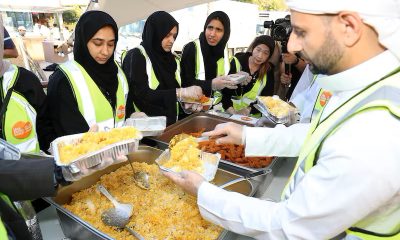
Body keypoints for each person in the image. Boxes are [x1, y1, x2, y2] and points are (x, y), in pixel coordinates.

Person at [163, 0, 400, 239]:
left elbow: (290, 226)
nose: (294, 46)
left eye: (301, 32)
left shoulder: (378, 130)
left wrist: (203, 192)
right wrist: (245, 134)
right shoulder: (366, 86)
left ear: (349, 27)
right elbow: (318, 133)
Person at [46, 10, 129, 149]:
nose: (105, 52)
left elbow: (122, 111)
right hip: (84, 166)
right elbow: (64, 136)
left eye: (110, 44)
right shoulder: (64, 80)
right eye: (98, 43)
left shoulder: (118, 73)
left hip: (119, 159)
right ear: (83, 41)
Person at [122, 11, 203, 126]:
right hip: (147, 131)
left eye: (174, 36)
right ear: (155, 33)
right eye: (167, 35)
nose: (172, 40)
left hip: (171, 126)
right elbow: (141, 94)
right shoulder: (137, 56)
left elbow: (171, 93)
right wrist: (179, 93)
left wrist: (185, 106)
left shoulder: (173, 59)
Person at [180, 11, 238, 103]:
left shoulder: (223, 49)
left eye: (218, 30)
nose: (212, 34)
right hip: (192, 109)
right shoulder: (191, 48)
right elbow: (185, 82)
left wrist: (236, 78)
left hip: (214, 109)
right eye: (210, 28)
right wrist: (211, 84)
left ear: (226, 33)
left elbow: (224, 77)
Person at [221, 35, 276, 116]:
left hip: (251, 119)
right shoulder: (236, 62)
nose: (260, 56)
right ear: (253, 48)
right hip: (228, 113)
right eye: (258, 50)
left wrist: (249, 110)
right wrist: (231, 111)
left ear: (269, 56)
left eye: (265, 53)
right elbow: (224, 91)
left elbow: (267, 99)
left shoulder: (268, 71)